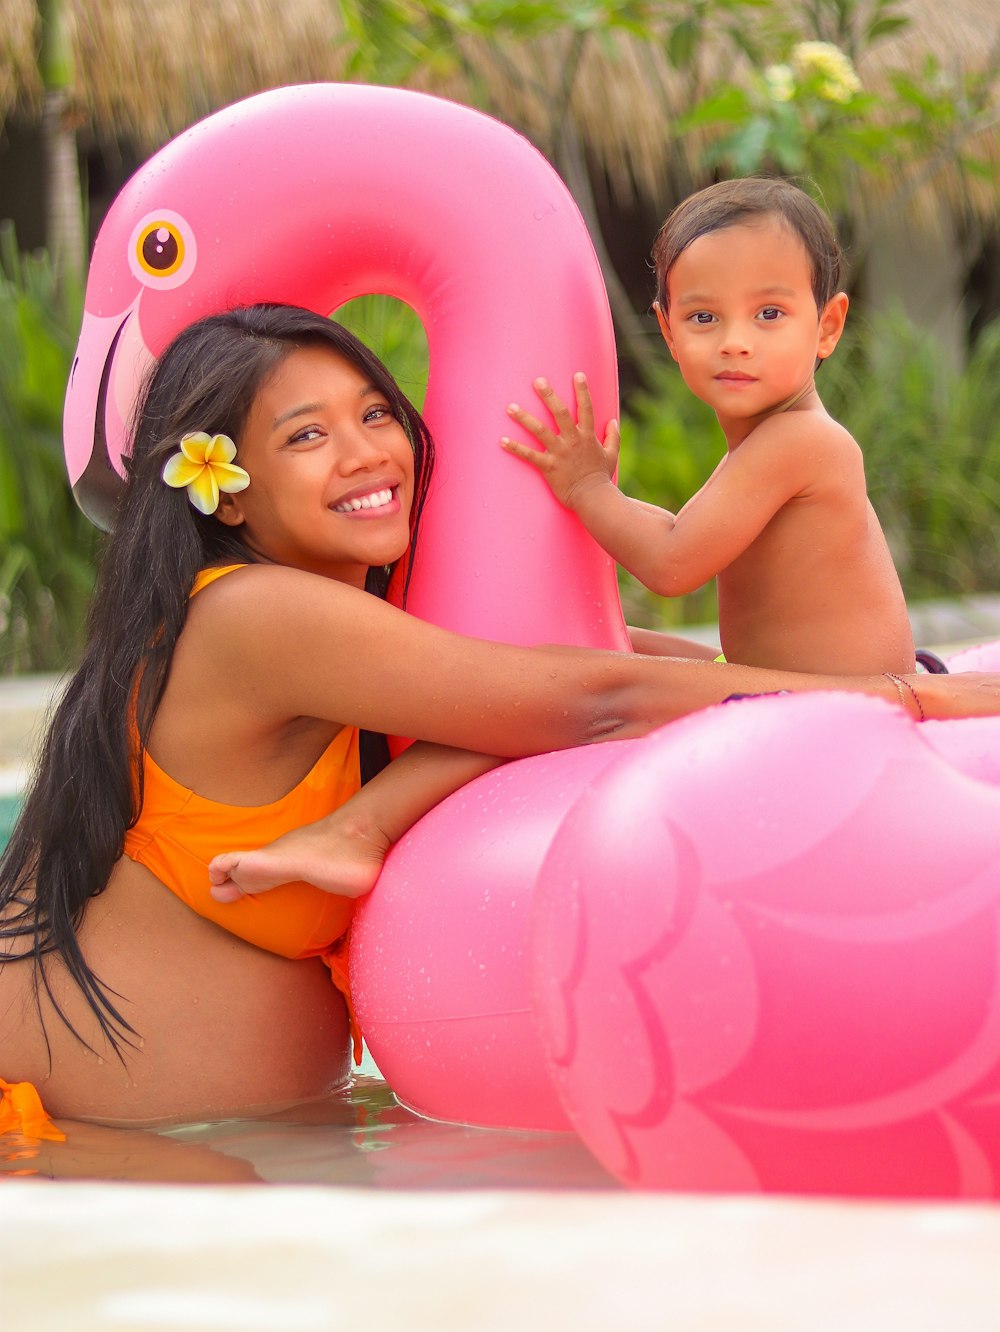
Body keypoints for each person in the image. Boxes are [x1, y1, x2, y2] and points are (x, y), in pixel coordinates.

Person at [0, 304, 994, 1132]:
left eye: (375, 414)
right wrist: (913, 703)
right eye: (305, 436)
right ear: (224, 491)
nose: (363, 454)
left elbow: (602, 660)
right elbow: (597, 701)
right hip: (80, 1164)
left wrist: (873, 680)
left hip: (186, 1165)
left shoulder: (336, 628)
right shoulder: (253, 614)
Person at [500, 177, 914, 676]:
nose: (734, 341)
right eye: (703, 317)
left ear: (826, 326)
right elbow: (681, 533)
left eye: (768, 313)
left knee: (590, 669)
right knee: (604, 639)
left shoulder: (802, 440)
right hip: (782, 679)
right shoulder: (769, 439)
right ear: (669, 331)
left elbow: (672, 563)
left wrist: (588, 486)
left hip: (847, 701)